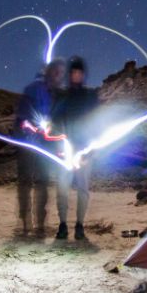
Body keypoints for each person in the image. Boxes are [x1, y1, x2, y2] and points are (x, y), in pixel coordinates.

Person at [14, 58, 65, 238]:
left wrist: (54, 132)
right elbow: (22, 116)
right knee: (26, 181)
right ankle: (25, 221)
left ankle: (40, 224)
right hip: (28, 143)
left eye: (60, 73)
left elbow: (59, 120)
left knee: (42, 182)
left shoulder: (56, 95)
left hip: (45, 145)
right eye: (56, 72)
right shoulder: (32, 90)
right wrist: (30, 128)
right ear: (49, 72)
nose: (59, 76)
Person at [51, 55, 99, 240]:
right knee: (62, 188)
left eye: (79, 72)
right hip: (65, 150)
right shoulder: (62, 96)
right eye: (73, 72)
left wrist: (91, 150)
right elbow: (55, 122)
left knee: (83, 189)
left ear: (83, 74)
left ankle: (80, 226)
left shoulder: (90, 96)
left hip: (84, 150)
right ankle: (62, 225)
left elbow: (97, 123)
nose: (76, 75)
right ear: (70, 74)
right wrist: (58, 144)